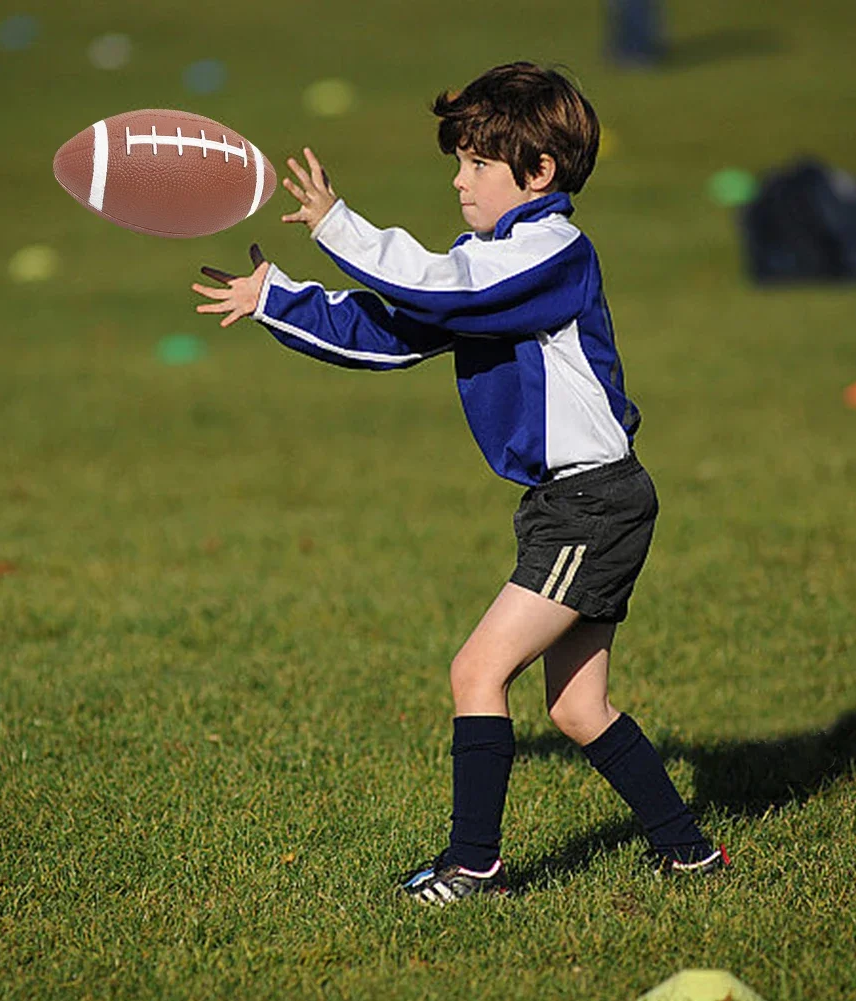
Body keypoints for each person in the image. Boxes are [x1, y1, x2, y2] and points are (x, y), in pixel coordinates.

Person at [192, 61, 727, 905]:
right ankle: (689, 854)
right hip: (573, 502)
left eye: (477, 163)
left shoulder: (549, 252)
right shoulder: (490, 268)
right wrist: (277, 301)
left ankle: (473, 866)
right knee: (579, 709)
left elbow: (439, 286)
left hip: (591, 503)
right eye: (460, 161)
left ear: (537, 173)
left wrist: (342, 226)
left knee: (475, 671)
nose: (458, 180)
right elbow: (393, 330)